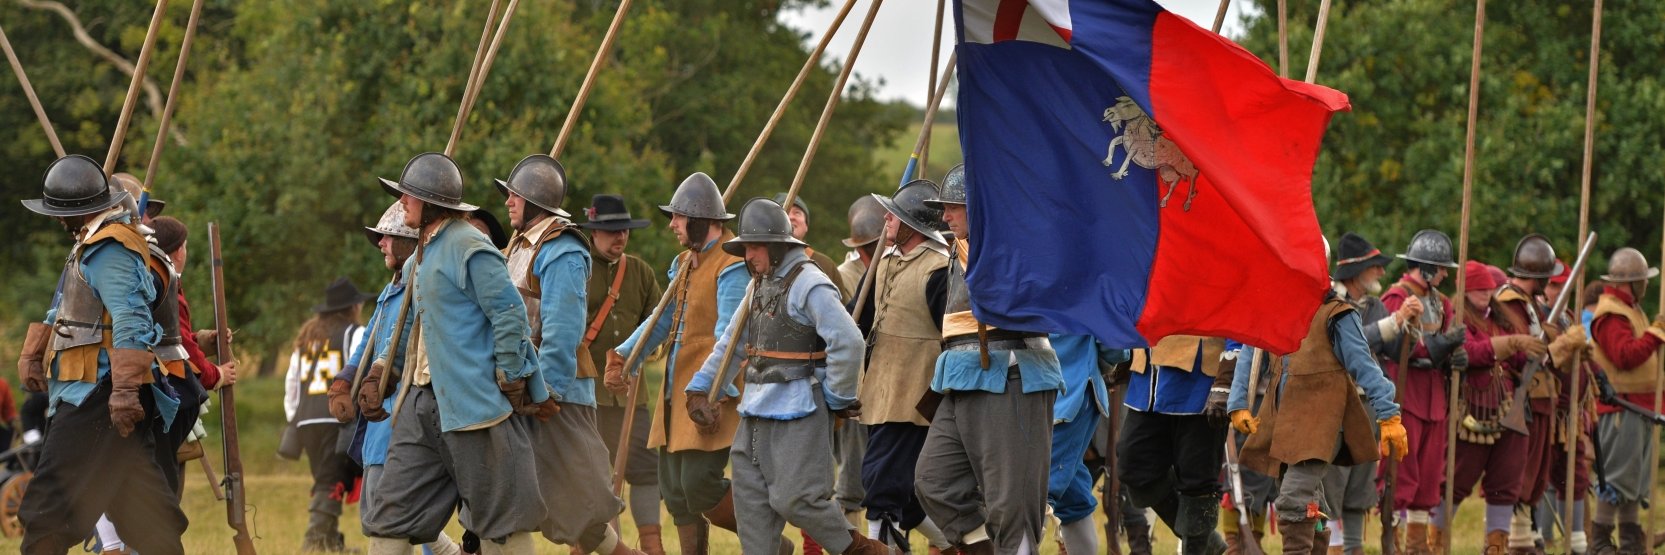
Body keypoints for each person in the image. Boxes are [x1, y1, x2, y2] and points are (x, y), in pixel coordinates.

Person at [359, 152, 554, 555]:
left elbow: (508, 313)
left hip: (473, 406)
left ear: (429, 203)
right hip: (420, 405)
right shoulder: (420, 255)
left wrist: (512, 372)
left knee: (501, 523)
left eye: (408, 197)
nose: (401, 204)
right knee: (390, 518)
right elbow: (409, 325)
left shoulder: (470, 246)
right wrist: (385, 371)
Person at [684, 198, 889, 555]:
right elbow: (731, 344)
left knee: (798, 500)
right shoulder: (758, 286)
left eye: (754, 247)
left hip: (801, 410)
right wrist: (701, 388)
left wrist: (837, 397)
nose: (748, 256)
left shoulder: (810, 282)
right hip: (754, 413)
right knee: (750, 506)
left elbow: (848, 341)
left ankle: (862, 550)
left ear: (776, 246)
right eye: (745, 247)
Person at [16, 154, 188, 554]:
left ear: (78, 210)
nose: (56, 219)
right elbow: (67, 308)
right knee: (149, 520)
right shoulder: (90, 242)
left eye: (59, 211)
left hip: (97, 395)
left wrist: (126, 391)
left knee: (47, 511)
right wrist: (35, 352)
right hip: (92, 390)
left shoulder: (111, 247)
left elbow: (131, 318)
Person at [496, 154, 642, 554]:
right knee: (539, 499)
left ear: (535, 201)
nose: (507, 201)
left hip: (554, 397)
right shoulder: (521, 246)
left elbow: (562, 331)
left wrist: (546, 392)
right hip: (522, 391)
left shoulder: (562, 249)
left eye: (515, 195)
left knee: (583, 504)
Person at [914, 166, 1063, 554]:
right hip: (961, 376)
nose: (945, 217)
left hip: (1012, 373)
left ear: (980, 208)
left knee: (1010, 503)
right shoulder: (959, 247)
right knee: (934, 481)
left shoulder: (1013, 245)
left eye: (954, 208)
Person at [1231, 243, 1407, 555]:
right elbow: (1250, 351)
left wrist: (1388, 414)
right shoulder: (1276, 308)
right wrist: (1238, 403)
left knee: (1294, 499)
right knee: (1313, 503)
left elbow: (1365, 366)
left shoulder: (1336, 313)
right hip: (1284, 422)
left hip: (1322, 423)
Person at [607, 172, 749, 555]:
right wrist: (624, 355)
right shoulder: (685, 262)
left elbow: (729, 337)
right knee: (674, 491)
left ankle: (769, 541)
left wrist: (712, 392)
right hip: (675, 391)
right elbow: (661, 319)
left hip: (709, 392)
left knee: (699, 484)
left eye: (679, 217)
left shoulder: (732, 262)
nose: (672, 224)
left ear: (701, 220)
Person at [328, 200, 465, 555]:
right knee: (381, 514)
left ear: (408, 240)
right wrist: (345, 380)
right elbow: (369, 342)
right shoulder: (391, 290)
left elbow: (405, 348)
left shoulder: (425, 286)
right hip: (380, 417)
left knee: (398, 517)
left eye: (387, 238)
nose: (381, 245)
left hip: (408, 410)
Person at [849, 178, 951, 550]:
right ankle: (966, 545)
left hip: (914, 392)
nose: (885, 220)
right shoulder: (885, 258)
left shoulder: (939, 269)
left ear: (910, 223)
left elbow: (952, 335)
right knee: (905, 497)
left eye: (892, 215)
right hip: (878, 388)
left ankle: (880, 545)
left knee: (881, 482)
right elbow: (855, 319)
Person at [578, 194, 668, 555]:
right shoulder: (577, 267)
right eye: (612, 231)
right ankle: (595, 546)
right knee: (596, 477)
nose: (620, 238)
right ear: (594, 232)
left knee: (647, 471)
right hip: (588, 395)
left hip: (634, 395)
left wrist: (645, 355)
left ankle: (652, 545)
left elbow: (660, 327)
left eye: (625, 231)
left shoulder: (642, 272)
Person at [1446, 260, 1546, 553]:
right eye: (1478, 288)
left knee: (1506, 482)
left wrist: (1533, 346)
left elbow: (1517, 361)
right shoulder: (1456, 317)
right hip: (1472, 410)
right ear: (1466, 289)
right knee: (1455, 481)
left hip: (1507, 407)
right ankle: (1435, 542)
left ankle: (1496, 547)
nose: (1484, 293)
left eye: (1488, 288)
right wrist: (1511, 342)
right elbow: (1471, 353)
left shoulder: (1499, 317)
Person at [1376, 229, 1467, 554]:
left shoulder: (1441, 303)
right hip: (1406, 390)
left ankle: (1418, 546)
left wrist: (1455, 352)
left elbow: (1450, 335)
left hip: (1434, 395)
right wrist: (1432, 350)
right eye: (1441, 267)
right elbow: (1391, 346)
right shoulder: (1396, 297)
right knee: (1402, 472)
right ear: (1426, 267)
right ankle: (1392, 540)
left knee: (1429, 477)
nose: (1445, 274)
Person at [1324, 232, 1401, 553]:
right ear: (1357, 272)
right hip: (1334, 403)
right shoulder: (1329, 301)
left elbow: (1394, 352)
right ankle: (1332, 547)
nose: (1381, 273)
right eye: (1375, 267)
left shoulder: (1376, 306)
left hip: (1367, 403)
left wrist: (1407, 327)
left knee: (1360, 486)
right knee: (1331, 486)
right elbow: (1350, 345)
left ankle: (1353, 549)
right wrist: (1392, 324)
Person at [284, 277, 371, 551]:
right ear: (352, 307)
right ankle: (316, 539)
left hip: (306, 422)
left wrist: (293, 419)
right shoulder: (355, 333)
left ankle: (330, 540)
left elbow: (292, 384)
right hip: (338, 420)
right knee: (331, 479)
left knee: (326, 478)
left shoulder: (307, 339)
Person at [1587, 247, 1664, 554]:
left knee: (1633, 479)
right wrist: (1655, 334)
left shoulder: (1631, 308)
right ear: (1627, 283)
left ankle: (1631, 540)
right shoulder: (1612, 314)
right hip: (1622, 408)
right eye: (1641, 280)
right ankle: (1601, 540)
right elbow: (1626, 356)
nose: (1645, 285)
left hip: (1639, 407)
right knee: (1616, 477)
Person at [1046, 334, 1127, 555]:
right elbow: (1114, 342)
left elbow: (1111, 334)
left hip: (1069, 391)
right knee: (1071, 497)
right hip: (1061, 386)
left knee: (1035, 489)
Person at [773, 192, 849, 301]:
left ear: (806, 226)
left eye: (797, 213)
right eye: (785, 212)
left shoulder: (825, 265)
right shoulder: (764, 264)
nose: (791, 217)